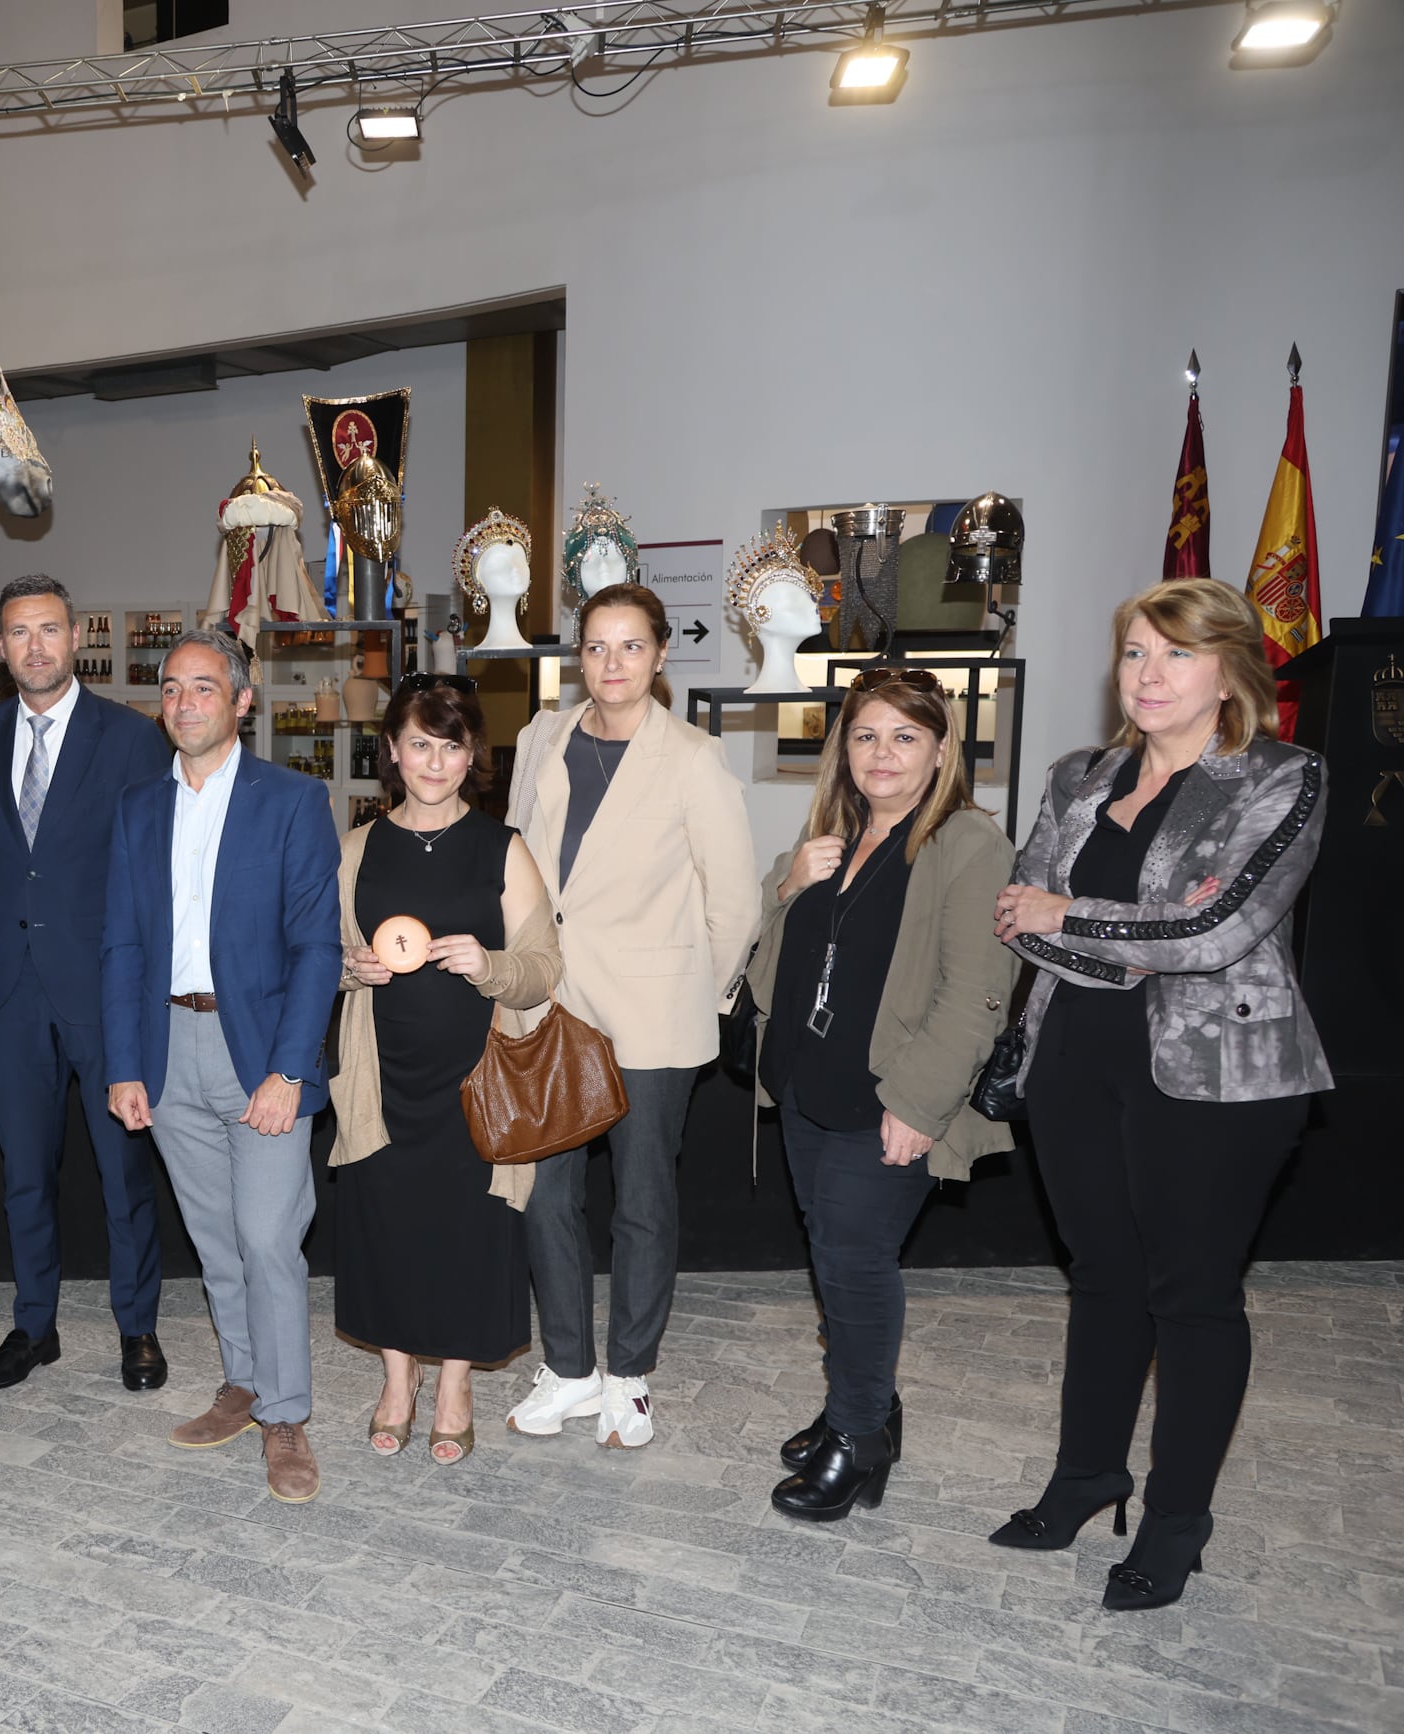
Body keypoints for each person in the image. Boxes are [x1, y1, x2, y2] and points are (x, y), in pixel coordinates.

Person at [989, 579, 1330, 1611]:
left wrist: (1080, 915)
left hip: (1218, 1075)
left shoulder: (1280, 778)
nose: (1145, 674)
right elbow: (1018, 910)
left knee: (1189, 1294)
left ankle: (1178, 1518)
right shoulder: (1076, 775)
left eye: (1171, 654)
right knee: (1100, 1276)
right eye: (1133, 653)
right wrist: (1137, 935)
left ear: (1227, 669)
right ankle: (1086, 1472)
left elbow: (1221, 932)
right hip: (1072, 1056)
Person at [744, 669, 1015, 1519]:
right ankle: (859, 1407)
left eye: (905, 736)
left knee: (857, 1265)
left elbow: (977, 992)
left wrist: (919, 1105)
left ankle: (858, 1441)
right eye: (865, 735)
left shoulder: (969, 844)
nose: (882, 753)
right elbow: (768, 967)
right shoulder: (832, 833)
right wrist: (787, 887)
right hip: (806, 1084)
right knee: (831, 1254)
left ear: (941, 750)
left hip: (889, 1100)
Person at [500, 582, 759, 1448]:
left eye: (631, 647)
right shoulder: (542, 736)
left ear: (658, 658)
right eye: (597, 647)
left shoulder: (692, 757)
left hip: (651, 1017)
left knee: (642, 1202)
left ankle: (631, 1376)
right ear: (580, 655)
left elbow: (734, 902)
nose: (612, 663)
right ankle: (569, 1368)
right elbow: (514, 864)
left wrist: (695, 991)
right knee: (546, 1197)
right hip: (550, 1006)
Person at [103, 629, 340, 1504]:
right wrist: (126, 1064)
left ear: (242, 701)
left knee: (270, 1236)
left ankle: (284, 1415)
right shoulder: (137, 808)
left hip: (262, 1053)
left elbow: (318, 949)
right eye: (170, 689)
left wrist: (289, 1072)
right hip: (169, 1053)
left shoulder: (292, 801)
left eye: (204, 688)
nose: (184, 703)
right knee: (215, 1240)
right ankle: (242, 1382)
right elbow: (122, 943)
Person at [0, 576, 175, 1395]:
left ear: (76, 638)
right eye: (17, 634)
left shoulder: (132, 737)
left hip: (105, 986)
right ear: (0, 648)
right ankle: (34, 1326)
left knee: (121, 1173)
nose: (33, 647)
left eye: (48, 631)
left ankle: (136, 1326)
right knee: (25, 1172)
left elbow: (154, 868)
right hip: (10, 991)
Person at [331, 674, 560, 1467]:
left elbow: (543, 970)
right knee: (388, 1226)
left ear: (472, 757)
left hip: (477, 1082)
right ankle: (398, 1381)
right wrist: (351, 969)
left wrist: (489, 962)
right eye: (418, 743)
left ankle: (455, 1383)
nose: (434, 760)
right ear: (392, 751)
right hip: (384, 1080)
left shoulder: (503, 846)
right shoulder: (359, 845)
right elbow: (328, 956)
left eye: (450, 744)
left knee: (467, 1233)